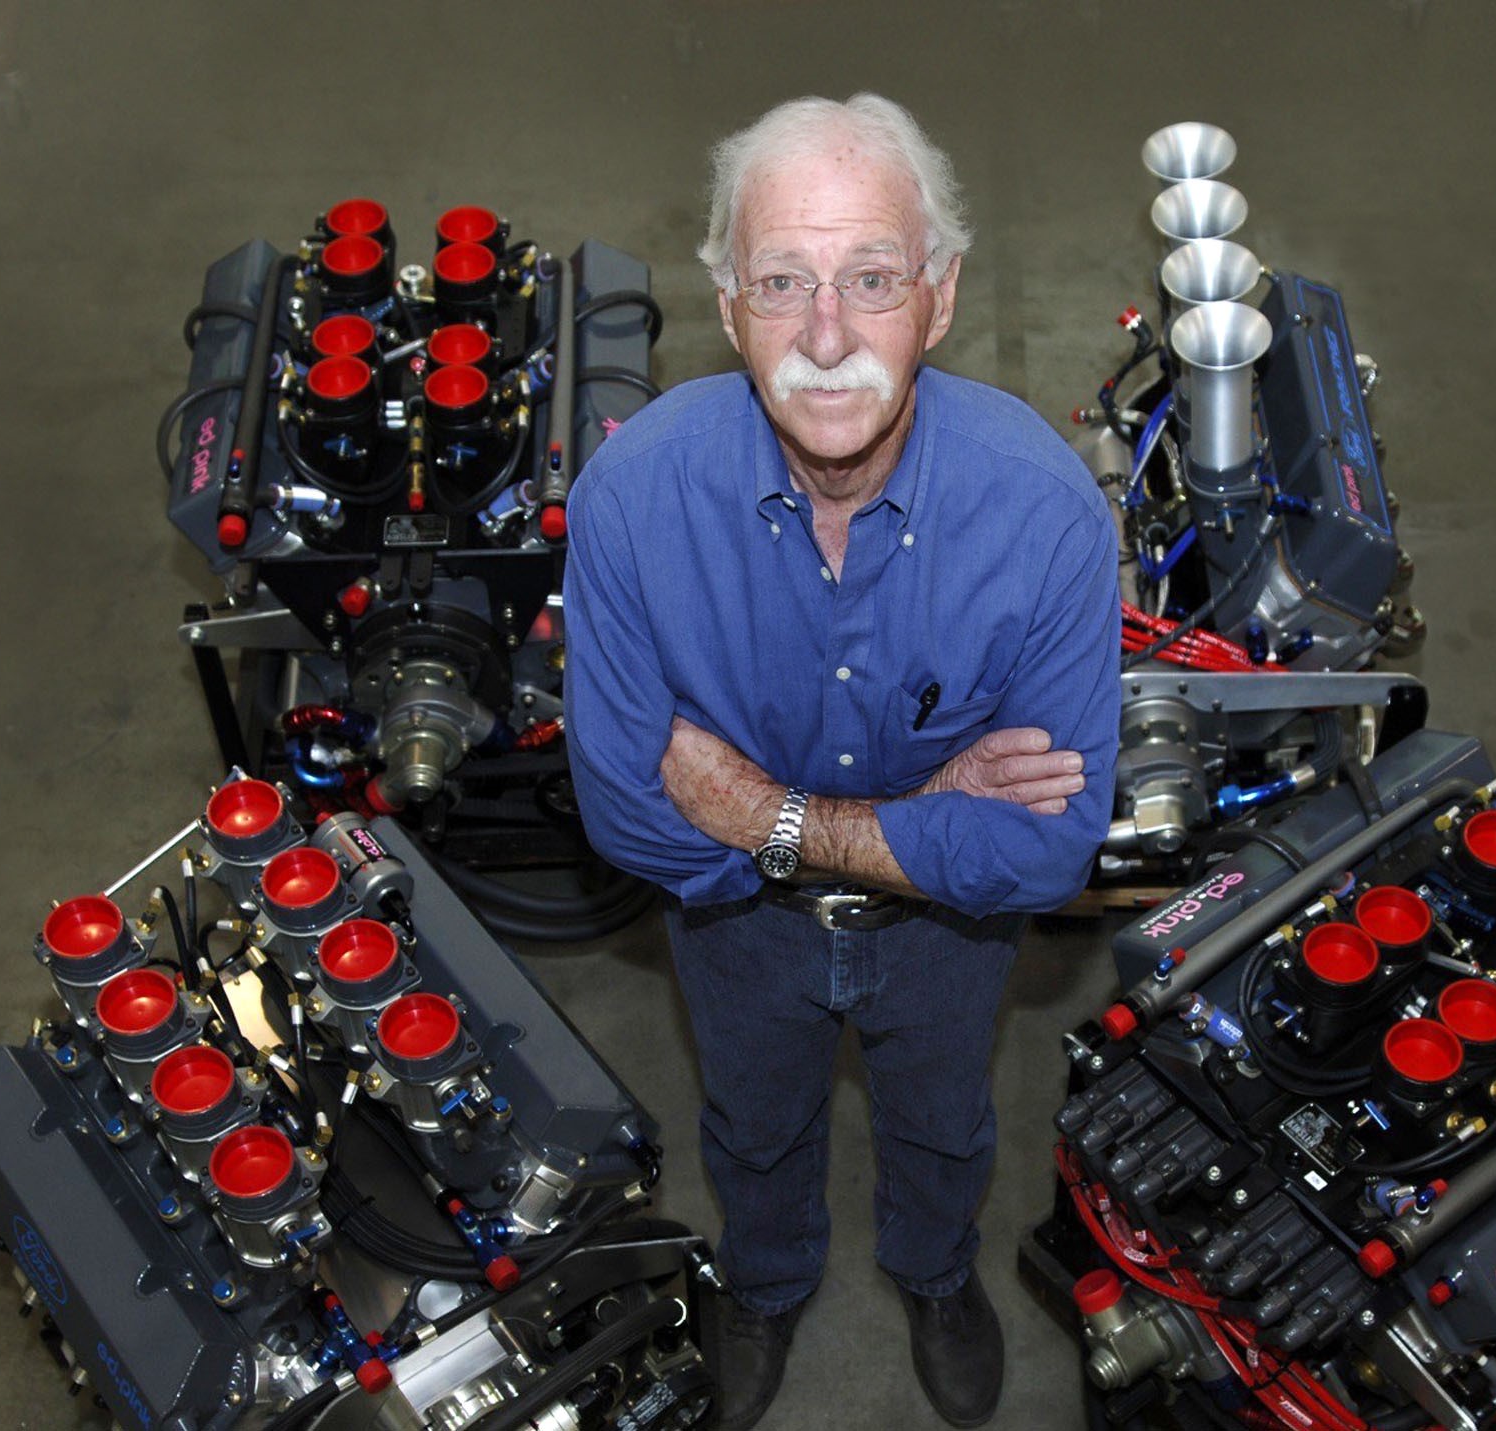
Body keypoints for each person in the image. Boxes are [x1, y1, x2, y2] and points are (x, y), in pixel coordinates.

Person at [562, 93, 1118, 1429]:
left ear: (940, 297)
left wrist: (760, 812)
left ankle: (934, 1274)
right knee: (753, 1126)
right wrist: (928, 816)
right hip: (737, 931)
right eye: (783, 282)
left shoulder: (1046, 519)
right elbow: (629, 817)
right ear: (728, 305)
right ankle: (765, 1283)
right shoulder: (632, 505)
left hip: (945, 943)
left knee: (944, 1124)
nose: (825, 336)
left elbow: (1047, 852)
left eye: (871, 279)